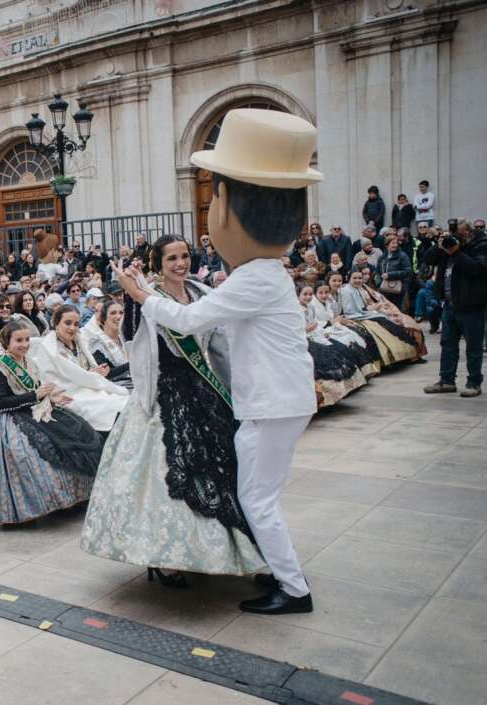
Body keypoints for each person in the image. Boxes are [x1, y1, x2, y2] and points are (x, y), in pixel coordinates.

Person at [113, 109, 321, 614]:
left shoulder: (254, 277)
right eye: (174, 258)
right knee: (255, 496)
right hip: (267, 402)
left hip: (271, 406)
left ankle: (292, 589)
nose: (185, 262)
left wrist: (139, 293)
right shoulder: (264, 274)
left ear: (224, 209)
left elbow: (190, 323)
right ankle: (277, 575)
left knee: (258, 500)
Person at [84, 235, 263, 585]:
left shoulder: (202, 294)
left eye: (184, 256)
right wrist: (133, 296)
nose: (180, 264)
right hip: (166, 392)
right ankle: (168, 558)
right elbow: (133, 340)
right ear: (158, 264)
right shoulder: (147, 297)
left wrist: (232, 391)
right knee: (170, 475)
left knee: (224, 467)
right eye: (172, 259)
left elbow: (220, 346)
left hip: (204, 388)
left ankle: (230, 549)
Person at [0, 323, 102, 524]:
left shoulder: (29, 361)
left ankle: (77, 495)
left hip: (35, 408)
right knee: (33, 447)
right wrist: (36, 395)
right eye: (19, 340)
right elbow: (2, 403)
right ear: (6, 343)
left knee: (80, 430)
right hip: (9, 416)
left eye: (27, 340)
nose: (25, 344)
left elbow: (38, 389)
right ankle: (46, 502)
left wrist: (52, 397)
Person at [30, 304, 128, 433]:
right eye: (68, 323)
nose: (72, 328)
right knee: (104, 405)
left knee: (121, 400)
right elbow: (52, 380)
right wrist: (90, 375)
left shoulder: (78, 340)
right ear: (56, 323)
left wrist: (97, 372)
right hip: (68, 392)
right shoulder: (47, 348)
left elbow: (85, 370)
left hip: (89, 387)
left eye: (76, 324)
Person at [423, 220, 487, 396]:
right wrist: (439, 245)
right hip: (450, 306)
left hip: (472, 307)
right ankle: (446, 381)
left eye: (459, 233)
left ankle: (474, 383)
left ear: (469, 233)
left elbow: (477, 269)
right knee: (447, 345)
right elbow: (428, 259)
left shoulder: (480, 247)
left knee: (473, 347)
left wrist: (457, 251)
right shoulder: (447, 248)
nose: (455, 237)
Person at [298, 285, 368, 407]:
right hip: (304, 339)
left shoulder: (310, 307)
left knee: (339, 350)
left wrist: (319, 331)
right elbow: (297, 330)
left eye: (310, 294)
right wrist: (308, 330)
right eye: (305, 294)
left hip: (317, 335)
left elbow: (316, 324)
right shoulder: (296, 310)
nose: (308, 297)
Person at [84, 299, 132, 389]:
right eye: (113, 313)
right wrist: (132, 364)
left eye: (121, 313)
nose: (118, 316)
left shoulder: (125, 338)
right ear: (104, 319)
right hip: (115, 387)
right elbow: (106, 373)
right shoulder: (97, 341)